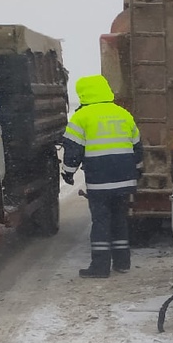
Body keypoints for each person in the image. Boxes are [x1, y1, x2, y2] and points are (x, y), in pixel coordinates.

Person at [61, 75, 144, 278]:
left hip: (100, 180)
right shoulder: (123, 114)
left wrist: (68, 173)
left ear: (83, 94)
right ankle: (122, 262)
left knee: (101, 222)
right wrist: (138, 171)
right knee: (119, 219)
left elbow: (72, 151)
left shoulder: (81, 118)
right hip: (125, 178)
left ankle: (100, 267)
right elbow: (137, 147)